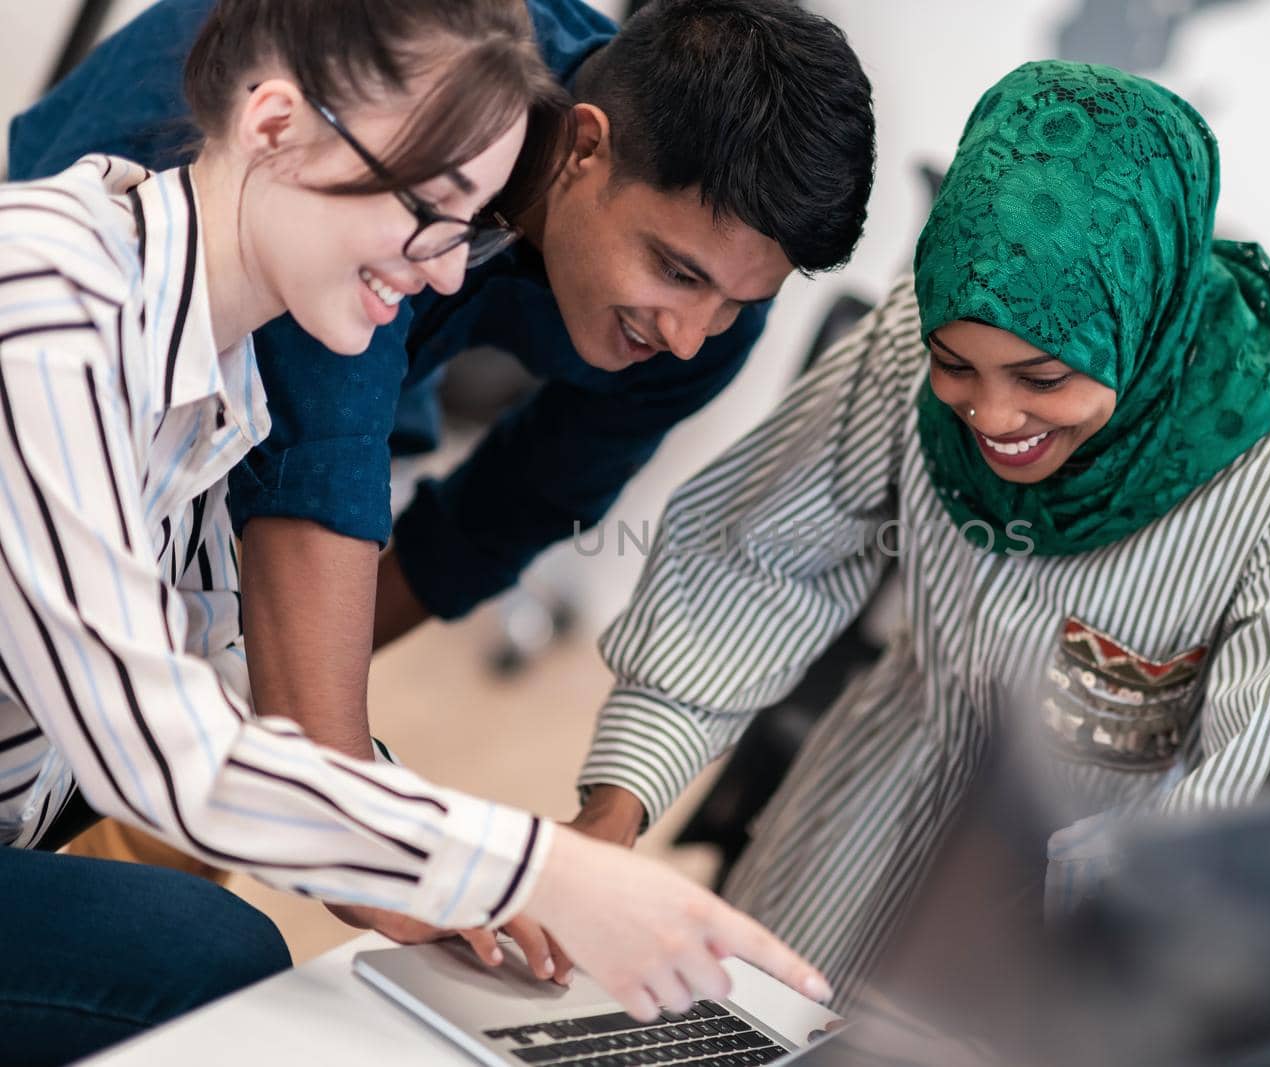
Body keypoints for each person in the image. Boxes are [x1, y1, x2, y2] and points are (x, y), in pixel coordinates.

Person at [0, 3, 828, 1062]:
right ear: (270, 128)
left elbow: (226, 664)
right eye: (432, 209)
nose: (450, 275)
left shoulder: (227, 384)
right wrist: (528, 865)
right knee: (209, 954)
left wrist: (434, 851)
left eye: (475, 221)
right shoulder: (49, 311)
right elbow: (169, 755)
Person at [571, 61, 1270, 1002]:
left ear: (1143, 318)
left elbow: (1230, 804)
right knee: (736, 1032)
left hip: (1080, 928)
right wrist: (609, 818)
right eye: (958, 368)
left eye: (1041, 379)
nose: (992, 418)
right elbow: (754, 565)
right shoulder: (913, 339)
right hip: (864, 818)